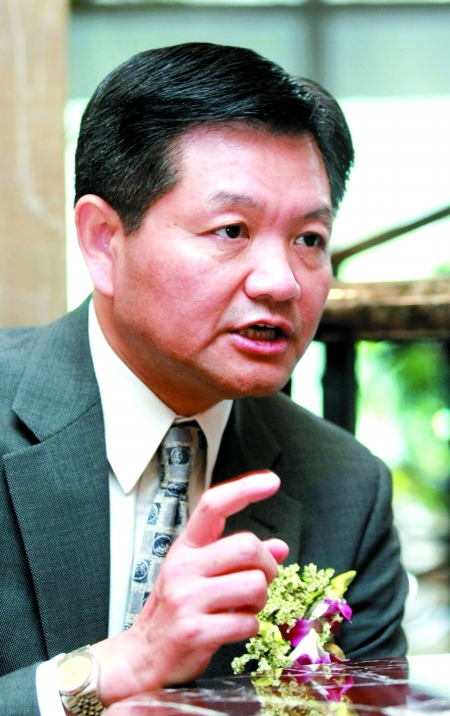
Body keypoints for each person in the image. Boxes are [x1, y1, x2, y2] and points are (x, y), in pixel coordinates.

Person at [0, 42, 407, 716]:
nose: (280, 282)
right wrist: (115, 669)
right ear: (104, 240)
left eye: (309, 239)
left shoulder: (345, 489)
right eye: (231, 230)